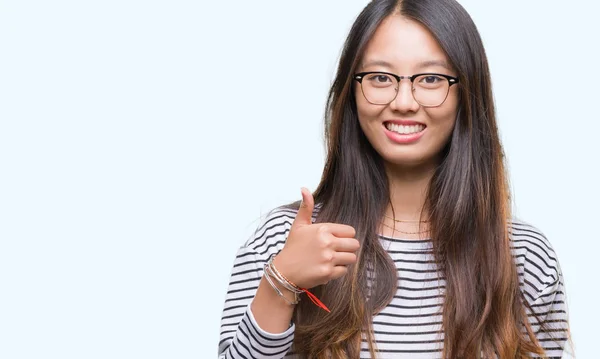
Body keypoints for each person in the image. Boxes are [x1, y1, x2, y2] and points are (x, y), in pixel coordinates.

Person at [218, 0, 570, 358]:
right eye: (380, 78)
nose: (404, 101)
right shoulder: (282, 240)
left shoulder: (522, 257)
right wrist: (282, 281)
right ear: (351, 92)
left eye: (431, 79)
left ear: (466, 93)